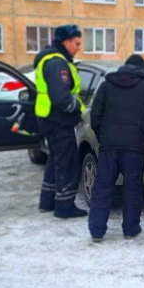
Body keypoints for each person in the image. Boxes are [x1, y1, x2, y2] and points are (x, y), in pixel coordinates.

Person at [88, 54, 144, 242]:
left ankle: (97, 230)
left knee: (102, 187)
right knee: (132, 188)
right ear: (143, 70)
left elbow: (95, 115)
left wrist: (103, 138)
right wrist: (143, 138)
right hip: (135, 146)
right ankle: (130, 229)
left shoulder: (107, 85)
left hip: (109, 146)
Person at [34, 24, 88, 219]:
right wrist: (77, 110)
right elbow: (61, 97)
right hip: (59, 120)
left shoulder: (51, 59)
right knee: (67, 163)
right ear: (66, 42)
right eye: (77, 43)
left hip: (49, 119)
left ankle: (47, 201)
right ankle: (64, 206)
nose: (79, 47)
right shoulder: (57, 63)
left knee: (55, 160)